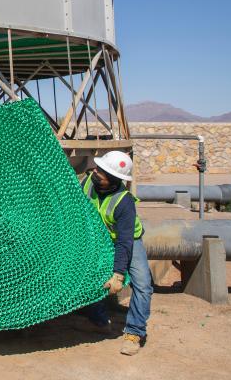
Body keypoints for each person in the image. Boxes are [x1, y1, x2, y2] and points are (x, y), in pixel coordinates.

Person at [81, 150, 153, 356]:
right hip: (98, 239)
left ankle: (134, 332)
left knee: (143, 285)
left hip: (128, 241)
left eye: (100, 172)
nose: (94, 172)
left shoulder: (124, 202)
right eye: (97, 168)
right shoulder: (87, 183)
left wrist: (118, 273)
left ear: (111, 180)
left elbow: (124, 242)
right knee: (89, 277)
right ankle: (99, 322)